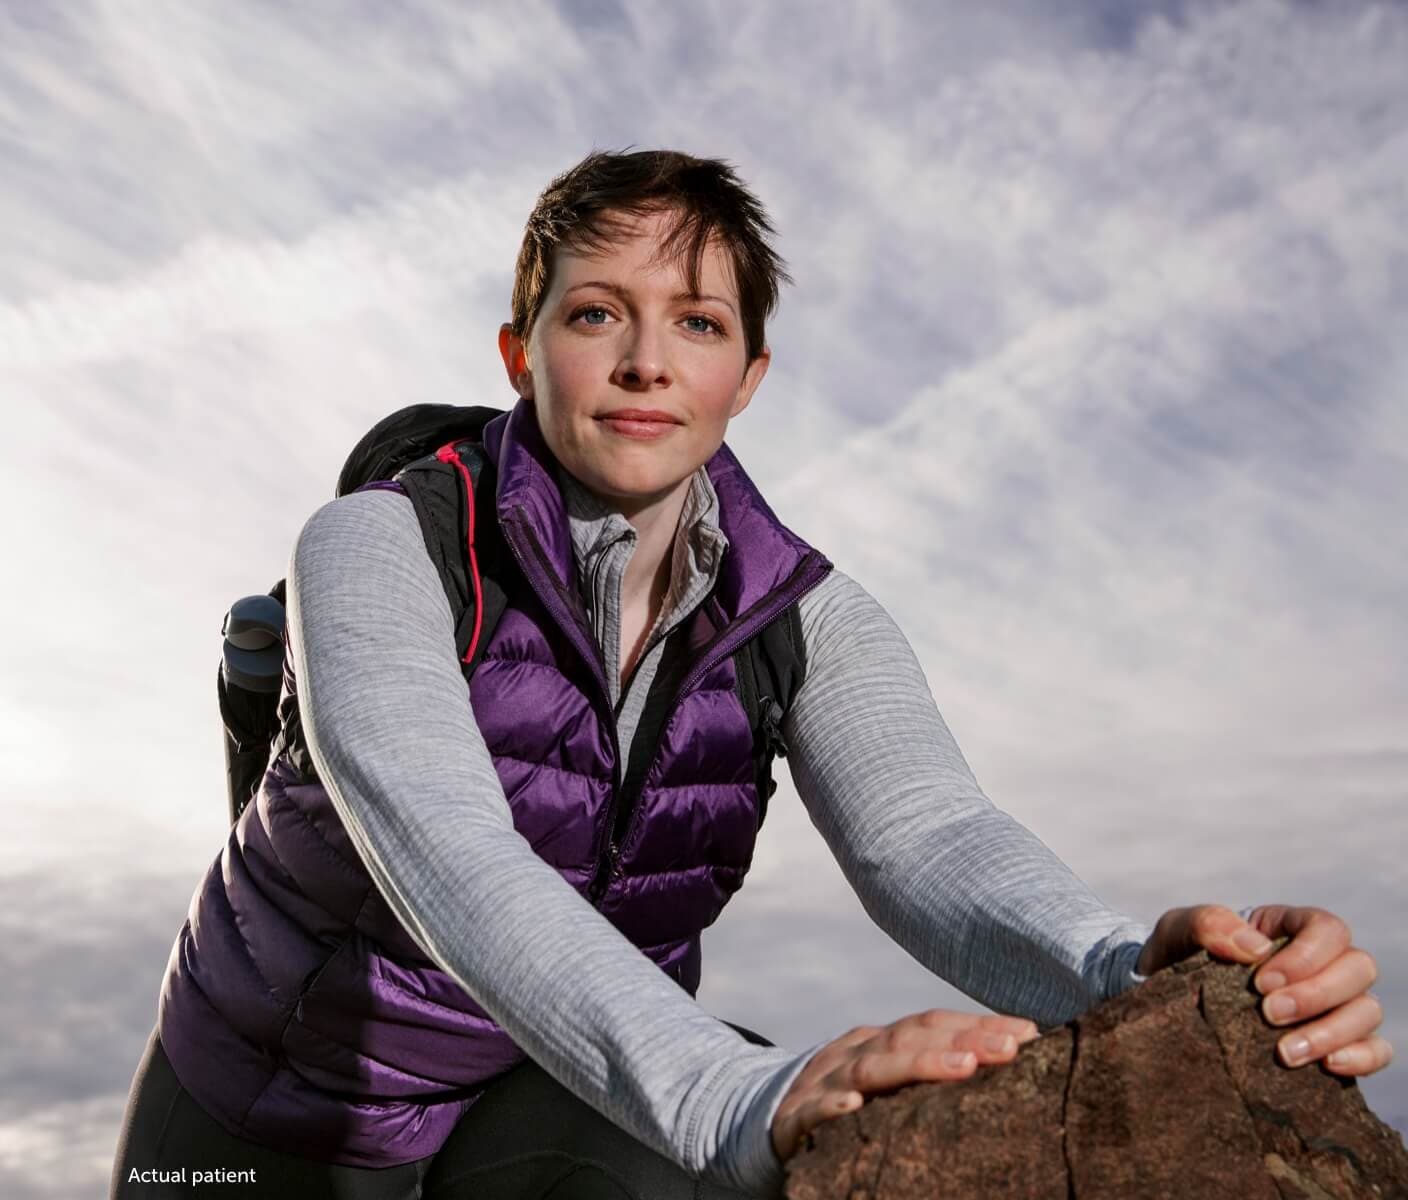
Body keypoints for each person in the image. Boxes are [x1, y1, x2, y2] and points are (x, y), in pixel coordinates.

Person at [110, 149, 1392, 1200]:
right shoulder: (380, 542)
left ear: (748, 375)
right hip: (267, 1105)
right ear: (521, 352)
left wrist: (1130, 966)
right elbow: (445, 841)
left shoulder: (802, 610)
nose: (646, 362)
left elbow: (928, 835)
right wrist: (734, 1093)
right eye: (596, 312)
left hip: (558, 1077)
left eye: (699, 322)